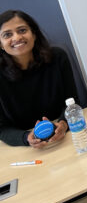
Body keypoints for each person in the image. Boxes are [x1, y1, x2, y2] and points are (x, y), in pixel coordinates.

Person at [0, 10, 77, 147]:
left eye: (22, 30)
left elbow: (71, 102)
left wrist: (64, 124)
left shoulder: (58, 58)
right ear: (1, 44)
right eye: (7, 35)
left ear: (34, 34)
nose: (17, 38)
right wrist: (26, 138)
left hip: (66, 137)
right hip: (25, 149)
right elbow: (2, 129)